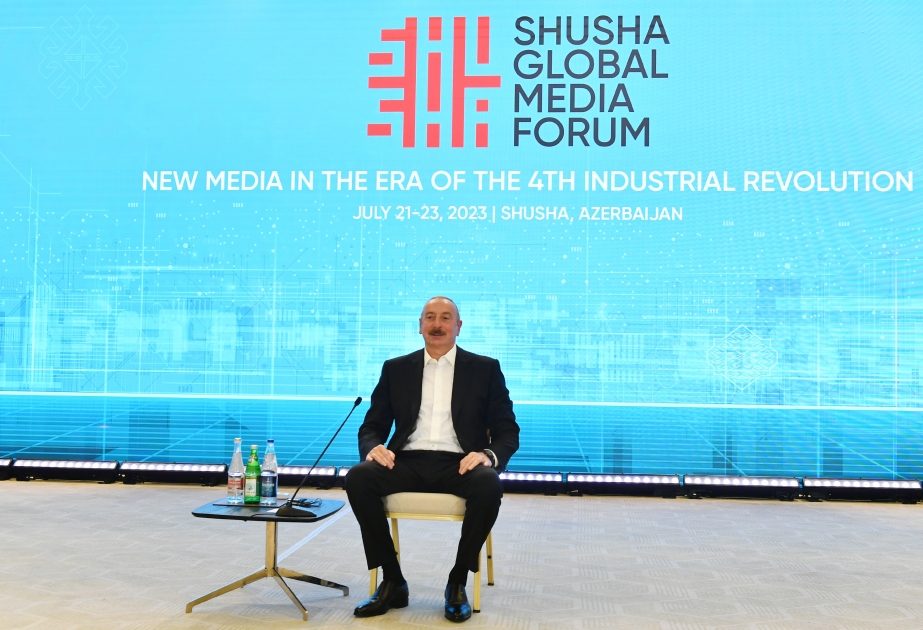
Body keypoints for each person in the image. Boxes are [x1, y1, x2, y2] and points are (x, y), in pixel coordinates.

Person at [345, 296, 520, 622]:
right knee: (358, 477)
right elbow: (372, 426)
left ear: (458, 326)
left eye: (445, 318)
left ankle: (457, 582)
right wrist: (373, 446)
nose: (437, 324)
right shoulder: (396, 369)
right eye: (430, 317)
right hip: (406, 461)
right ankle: (393, 580)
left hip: (460, 463)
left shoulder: (485, 369)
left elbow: (507, 431)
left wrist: (487, 455)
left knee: (488, 483)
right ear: (420, 326)